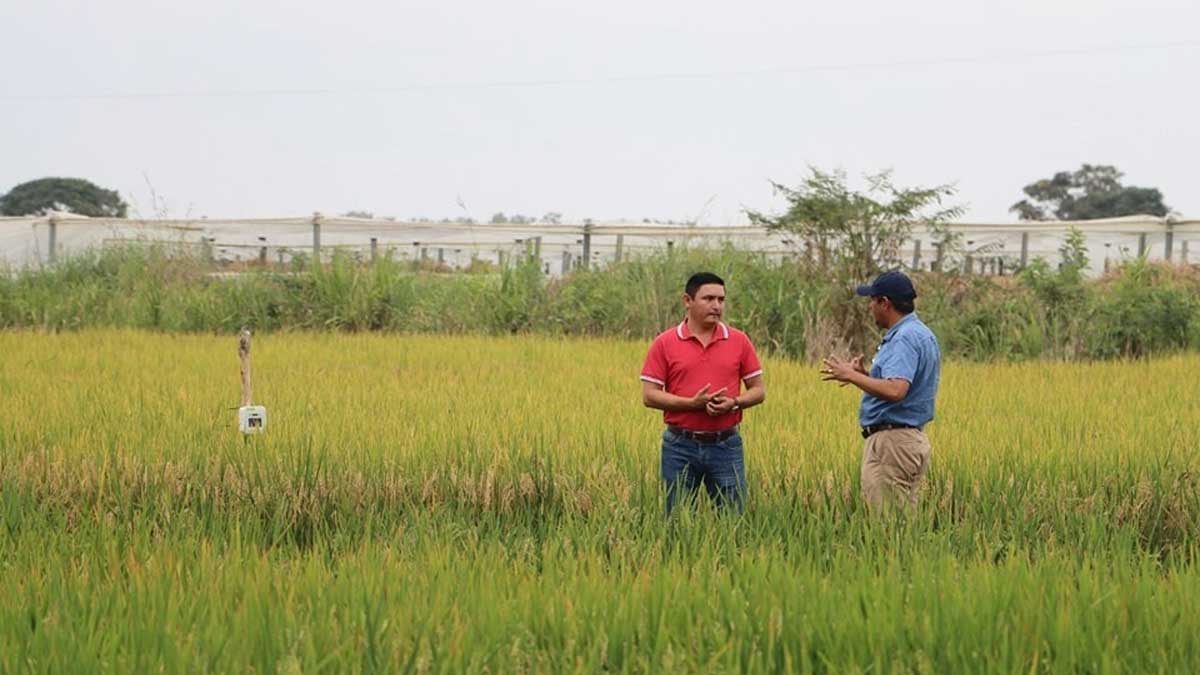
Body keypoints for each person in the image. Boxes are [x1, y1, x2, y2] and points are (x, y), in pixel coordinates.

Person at [640, 272, 766, 514]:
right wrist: (693, 403)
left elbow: (758, 391)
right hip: (679, 446)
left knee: (732, 520)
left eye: (721, 299)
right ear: (688, 300)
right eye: (708, 298)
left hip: (726, 445)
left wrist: (734, 402)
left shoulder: (739, 341)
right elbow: (650, 396)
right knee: (677, 520)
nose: (716, 306)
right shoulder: (665, 343)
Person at [820, 270, 941, 508]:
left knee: (887, 529)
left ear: (885, 303)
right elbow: (905, 383)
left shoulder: (903, 338)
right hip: (907, 440)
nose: (870, 308)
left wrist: (852, 376)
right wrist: (866, 375)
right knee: (901, 522)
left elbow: (896, 390)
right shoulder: (922, 334)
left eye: (872, 301)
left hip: (892, 444)